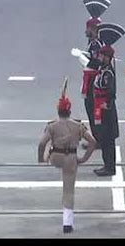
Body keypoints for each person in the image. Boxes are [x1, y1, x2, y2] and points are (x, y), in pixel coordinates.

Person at [38, 78, 96, 233]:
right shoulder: (77, 126)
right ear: (69, 111)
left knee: (53, 150)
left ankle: (48, 160)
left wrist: (41, 160)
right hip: (71, 158)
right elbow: (93, 142)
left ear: (58, 111)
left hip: (55, 157)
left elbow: (42, 144)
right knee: (68, 190)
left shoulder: (52, 125)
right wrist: (84, 158)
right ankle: (67, 223)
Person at [73, 0, 111, 149]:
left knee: (93, 109)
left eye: (88, 28)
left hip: (94, 81)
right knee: (93, 110)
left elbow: (94, 64)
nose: (86, 31)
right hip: (93, 79)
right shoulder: (95, 42)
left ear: (94, 29)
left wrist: (81, 57)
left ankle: (98, 140)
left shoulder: (96, 43)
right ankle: (97, 138)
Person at [92, 23, 125, 177]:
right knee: (104, 138)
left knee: (108, 139)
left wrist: (106, 104)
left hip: (106, 110)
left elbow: (111, 92)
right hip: (100, 107)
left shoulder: (108, 73)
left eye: (101, 55)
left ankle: (110, 167)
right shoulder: (103, 70)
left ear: (107, 57)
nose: (99, 57)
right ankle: (106, 164)